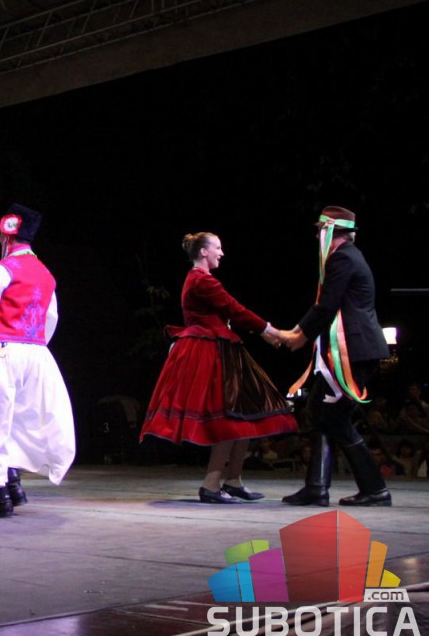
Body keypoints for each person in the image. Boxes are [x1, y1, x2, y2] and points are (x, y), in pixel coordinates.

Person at [140, 232, 295, 503]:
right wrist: (270, 330)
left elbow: (231, 312)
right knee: (227, 416)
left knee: (243, 412)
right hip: (209, 352)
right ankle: (211, 484)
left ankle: (233, 480)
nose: (221, 253)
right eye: (218, 248)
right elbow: (234, 309)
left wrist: (264, 331)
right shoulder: (201, 280)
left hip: (221, 349)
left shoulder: (199, 279)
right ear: (203, 252)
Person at [0, 204, 75, 517]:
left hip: (2, 351)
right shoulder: (46, 274)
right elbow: (50, 318)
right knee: (19, 423)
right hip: (37, 355)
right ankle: (13, 485)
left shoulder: (2, 270)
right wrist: (33, 344)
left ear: (6, 235)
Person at [279, 206, 393, 507]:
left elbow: (328, 305)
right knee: (319, 410)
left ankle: (375, 489)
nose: (317, 235)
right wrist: (298, 331)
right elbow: (327, 306)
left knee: (334, 417)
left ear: (331, 232)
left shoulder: (342, 258)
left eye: (320, 230)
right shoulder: (350, 256)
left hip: (353, 351)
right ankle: (316, 488)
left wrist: (299, 336)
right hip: (353, 350)